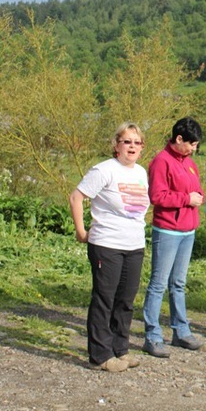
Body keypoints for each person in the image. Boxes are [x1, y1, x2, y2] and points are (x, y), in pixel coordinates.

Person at [69, 123, 150, 372]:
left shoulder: (141, 172)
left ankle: (120, 349)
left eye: (137, 142)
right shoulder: (104, 170)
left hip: (134, 244)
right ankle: (100, 355)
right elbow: (76, 197)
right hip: (107, 243)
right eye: (127, 141)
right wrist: (81, 232)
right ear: (117, 145)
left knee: (125, 299)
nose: (132, 146)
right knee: (105, 299)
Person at [142, 117, 205, 358]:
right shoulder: (161, 161)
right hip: (168, 230)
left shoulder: (189, 163)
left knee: (178, 283)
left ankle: (181, 331)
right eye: (192, 144)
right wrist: (185, 199)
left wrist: (198, 196)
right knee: (158, 284)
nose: (194, 149)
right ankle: (152, 336)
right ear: (179, 139)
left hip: (188, 230)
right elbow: (157, 196)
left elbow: (195, 188)